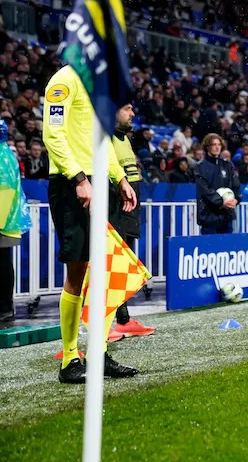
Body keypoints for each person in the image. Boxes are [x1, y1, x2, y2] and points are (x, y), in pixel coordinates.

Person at [43, 64, 139, 383]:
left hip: (99, 182)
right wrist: (79, 178)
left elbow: (102, 140)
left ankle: (98, 353)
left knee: (103, 270)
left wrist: (120, 178)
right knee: (78, 269)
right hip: (73, 184)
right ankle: (71, 359)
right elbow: (52, 135)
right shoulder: (63, 81)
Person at [109, 105, 155, 338]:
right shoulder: (103, 138)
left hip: (127, 209)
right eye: (127, 109)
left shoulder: (124, 139)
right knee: (110, 265)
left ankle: (123, 319)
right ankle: (105, 324)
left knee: (124, 265)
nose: (133, 113)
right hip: (113, 207)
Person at [0, 120, 30, 323]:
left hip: (3, 220)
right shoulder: (6, 154)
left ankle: (4, 307)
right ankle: (5, 307)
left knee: (2, 263)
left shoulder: (2, 156)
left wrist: (1, 221)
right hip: (7, 219)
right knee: (3, 262)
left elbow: (5, 188)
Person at [195, 133, 241, 234]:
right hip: (209, 216)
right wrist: (221, 202)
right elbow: (204, 189)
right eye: (213, 144)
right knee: (209, 248)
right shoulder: (200, 167)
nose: (217, 147)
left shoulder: (228, 165)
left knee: (227, 248)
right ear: (207, 147)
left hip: (227, 216)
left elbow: (236, 185)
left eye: (219, 144)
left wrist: (236, 199)